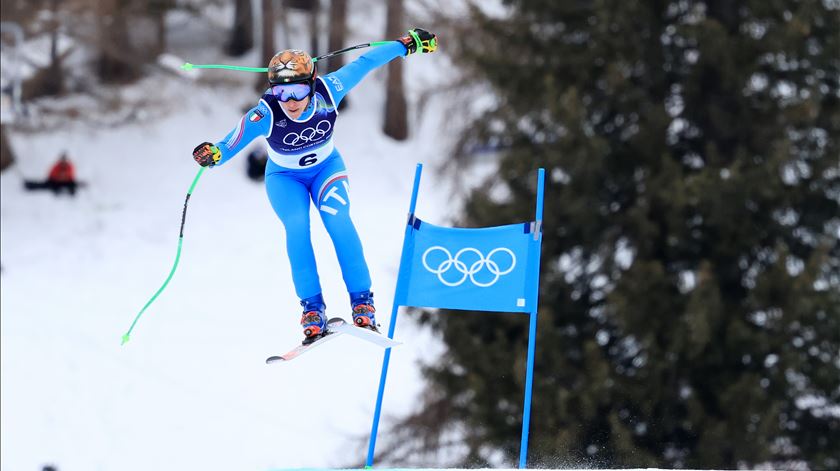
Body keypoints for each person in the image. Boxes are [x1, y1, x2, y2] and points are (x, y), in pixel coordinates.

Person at [192, 28, 437, 344]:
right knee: (297, 228)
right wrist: (213, 153)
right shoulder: (266, 112)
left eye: (295, 93)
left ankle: (363, 302)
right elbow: (231, 141)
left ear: (309, 85)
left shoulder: (329, 90)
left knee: (339, 222)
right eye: (282, 94)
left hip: (326, 170)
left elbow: (365, 62)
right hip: (284, 179)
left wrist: (406, 45)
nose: (290, 102)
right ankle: (312, 308)